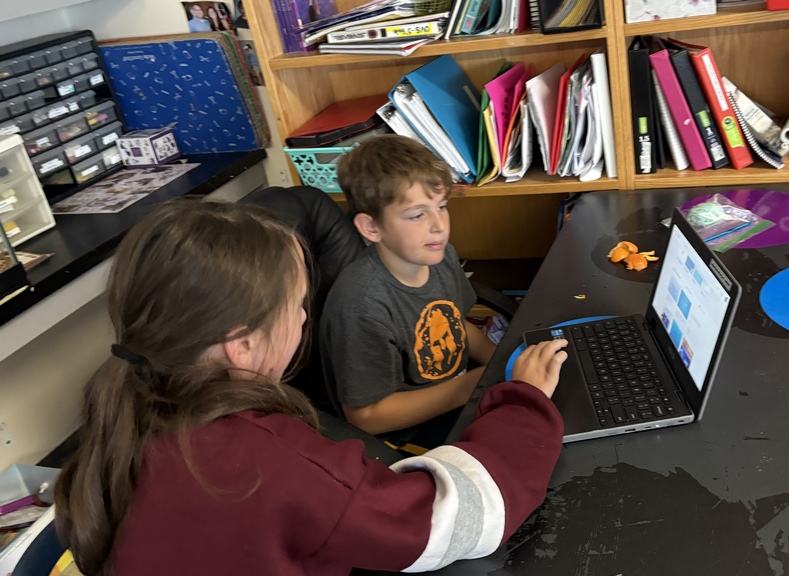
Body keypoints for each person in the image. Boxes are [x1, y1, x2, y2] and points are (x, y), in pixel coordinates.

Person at [52, 199, 569, 575]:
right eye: (299, 304)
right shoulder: (266, 464)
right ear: (243, 345)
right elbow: (458, 520)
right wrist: (523, 401)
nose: (304, 318)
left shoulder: (122, 416)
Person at [320, 136, 495, 445]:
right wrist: (471, 386)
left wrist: (502, 362)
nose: (438, 225)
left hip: (459, 399)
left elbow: (458, 325)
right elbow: (365, 417)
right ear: (371, 228)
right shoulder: (362, 306)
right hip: (406, 437)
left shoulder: (440, 256)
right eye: (417, 215)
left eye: (441, 206)